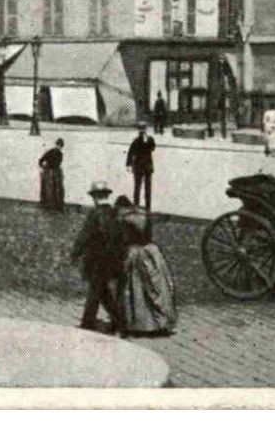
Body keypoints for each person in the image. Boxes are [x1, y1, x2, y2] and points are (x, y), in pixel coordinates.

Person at [113, 195, 176, 337]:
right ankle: (161, 323)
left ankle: (141, 325)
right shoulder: (143, 213)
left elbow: (122, 238)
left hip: (135, 252)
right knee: (156, 287)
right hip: (152, 252)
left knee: (135, 288)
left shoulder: (123, 217)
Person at [70, 181, 123, 333]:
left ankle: (88, 323)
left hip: (96, 259)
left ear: (94, 197)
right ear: (107, 195)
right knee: (103, 292)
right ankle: (119, 320)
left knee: (95, 291)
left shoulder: (95, 214)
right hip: (110, 260)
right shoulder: (114, 213)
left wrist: (75, 253)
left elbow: (84, 236)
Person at [126, 125, 157, 211]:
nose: (142, 131)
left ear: (146, 130)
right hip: (139, 167)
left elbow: (153, 147)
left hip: (147, 167)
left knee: (147, 189)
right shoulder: (136, 141)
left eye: (143, 129)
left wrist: (148, 140)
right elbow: (130, 152)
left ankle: (148, 207)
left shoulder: (149, 139)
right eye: (141, 130)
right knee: (137, 188)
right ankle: (136, 206)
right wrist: (129, 164)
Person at [38, 138, 66, 212]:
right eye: (58, 145)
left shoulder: (60, 154)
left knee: (57, 189)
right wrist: (43, 168)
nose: (59, 147)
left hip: (55, 172)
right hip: (49, 172)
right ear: (56, 145)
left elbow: (57, 164)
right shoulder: (50, 152)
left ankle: (57, 205)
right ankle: (48, 205)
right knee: (49, 189)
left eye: (61, 146)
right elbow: (41, 160)